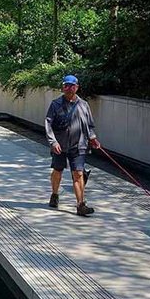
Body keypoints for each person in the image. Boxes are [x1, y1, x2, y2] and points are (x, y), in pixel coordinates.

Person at [45, 74, 99, 216]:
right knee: (58, 171)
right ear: (63, 87)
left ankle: (81, 204)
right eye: (66, 86)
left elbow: (89, 125)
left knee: (79, 173)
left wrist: (92, 138)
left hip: (79, 145)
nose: (69, 89)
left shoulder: (84, 105)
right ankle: (55, 194)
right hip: (60, 145)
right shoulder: (55, 104)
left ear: (77, 87)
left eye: (72, 86)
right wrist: (53, 142)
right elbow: (48, 124)